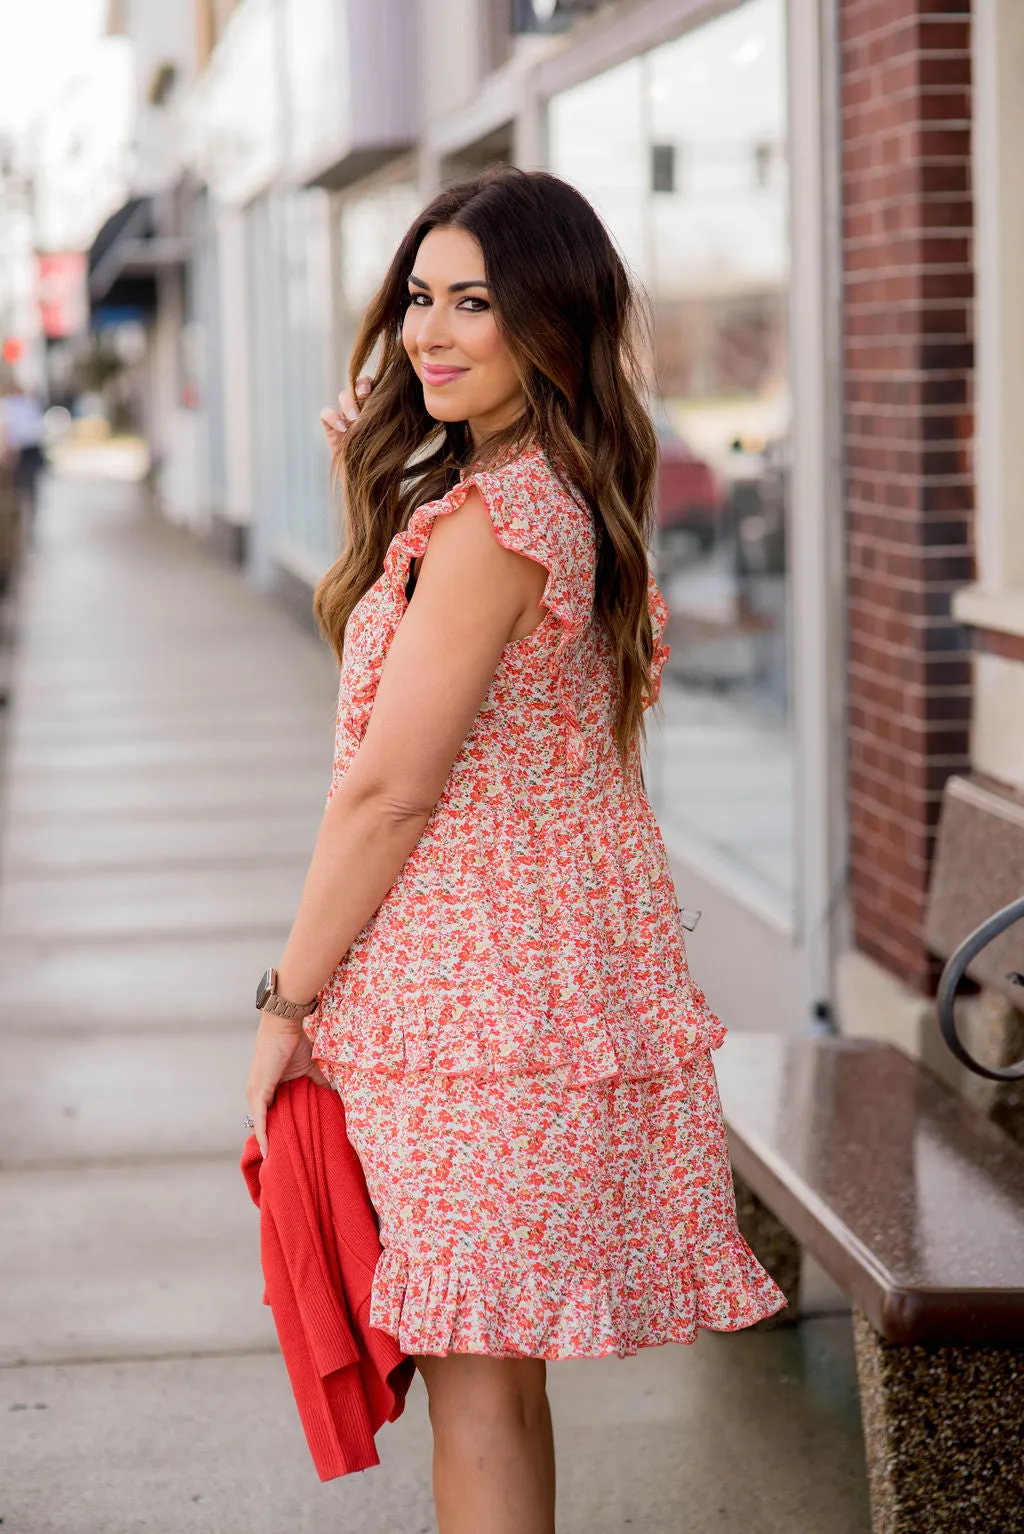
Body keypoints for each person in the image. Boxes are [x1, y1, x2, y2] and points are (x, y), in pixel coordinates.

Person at [245, 167, 785, 1534]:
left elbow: (388, 791)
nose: (429, 332)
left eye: (471, 302)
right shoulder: (553, 493)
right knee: (501, 1378)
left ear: (547, 317)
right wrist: (380, 502)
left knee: (480, 1393)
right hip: (529, 989)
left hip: (475, 1008)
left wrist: (286, 1001)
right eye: (419, 298)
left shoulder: (495, 522)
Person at [0, 381, 45, 543]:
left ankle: (28, 526)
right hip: (16, 454)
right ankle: (19, 529)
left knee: (29, 492)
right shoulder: (8, 405)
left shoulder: (28, 405)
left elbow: (36, 429)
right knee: (17, 493)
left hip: (28, 451)